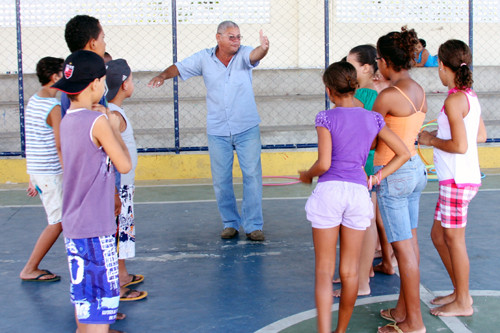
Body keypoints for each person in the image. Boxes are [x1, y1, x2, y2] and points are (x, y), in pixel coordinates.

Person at [299, 61, 409, 333]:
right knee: (350, 273)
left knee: (325, 272)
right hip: (359, 193)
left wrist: (307, 174)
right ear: (355, 86)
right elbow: (404, 152)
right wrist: (377, 177)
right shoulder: (372, 118)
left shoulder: (325, 117)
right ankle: (341, 331)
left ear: (329, 90)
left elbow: (324, 164)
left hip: (330, 191)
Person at [148, 21, 269, 241]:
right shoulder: (204, 58)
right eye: (231, 37)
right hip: (218, 129)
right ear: (218, 37)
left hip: (247, 127)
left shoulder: (244, 54)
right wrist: (162, 76)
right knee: (221, 179)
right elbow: (179, 67)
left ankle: (253, 226)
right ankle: (230, 223)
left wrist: (264, 47)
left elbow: (256, 54)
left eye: (239, 37)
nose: (236, 41)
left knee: (252, 176)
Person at [53, 50, 132, 332]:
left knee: (84, 305)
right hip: (96, 231)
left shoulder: (67, 120)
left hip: (74, 227)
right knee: (100, 314)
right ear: (95, 85)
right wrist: (112, 125)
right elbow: (124, 164)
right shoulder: (97, 122)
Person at [418, 39, 487, 317]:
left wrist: (430, 139)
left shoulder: (454, 100)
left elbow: (460, 146)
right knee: (438, 235)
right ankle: (460, 292)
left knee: (454, 239)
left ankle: (463, 301)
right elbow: (479, 136)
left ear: (443, 67)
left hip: (457, 179)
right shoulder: (468, 96)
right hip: (458, 178)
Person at [373, 26, 428, 333]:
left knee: (403, 249)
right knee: (411, 243)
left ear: (383, 62)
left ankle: (414, 323)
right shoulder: (418, 90)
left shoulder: (388, 96)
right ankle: (403, 310)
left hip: (394, 174)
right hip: (415, 171)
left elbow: (371, 140)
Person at [333, 44, 379, 296]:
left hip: (361, 164)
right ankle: (362, 273)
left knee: (363, 222)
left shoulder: (364, 97)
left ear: (365, 68)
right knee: (364, 220)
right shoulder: (368, 93)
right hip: (362, 162)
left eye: (351, 64)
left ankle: (360, 282)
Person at [106, 59, 148, 302]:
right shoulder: (113, 115)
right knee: (115, 233)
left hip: (123, 186)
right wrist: (114, 191)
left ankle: (121, 274)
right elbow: (111, 155)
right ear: (123, 85)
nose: (133, 83)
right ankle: (117, 285)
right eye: (130, 79)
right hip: (118, 186)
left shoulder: (115, 111)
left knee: (122, 231)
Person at [20, 57, 64, 282]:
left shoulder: (33, 100)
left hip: (40, 171)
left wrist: (32, 176)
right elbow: (59, 145)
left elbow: (33, 139)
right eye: (64, 73)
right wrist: (71, 172)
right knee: (57, 223)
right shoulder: (53, 107)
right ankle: (30, 268)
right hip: (51, 173)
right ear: (55, 77)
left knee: (60, 219)